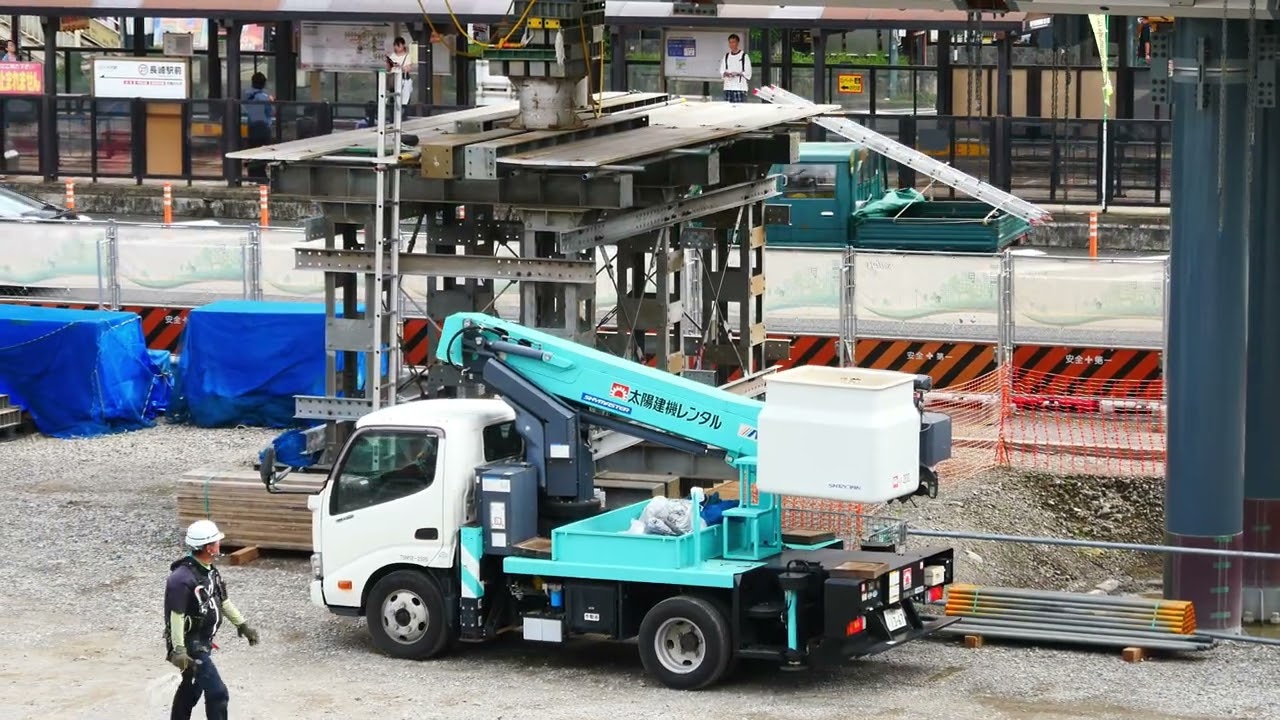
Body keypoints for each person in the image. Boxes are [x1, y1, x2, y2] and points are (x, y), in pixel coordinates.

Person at [165, 519, 260, 720]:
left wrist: (242, 625)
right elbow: (177, 615)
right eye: (217, 541)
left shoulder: (209, 571)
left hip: (204, 640)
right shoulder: (181, 579)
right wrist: (179, 650)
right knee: (217, 693)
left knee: (191, 689)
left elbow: (223, 601)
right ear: (209, 548)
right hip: (192, 645)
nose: (219, 544)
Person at [719, 34, 752, 103]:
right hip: (728, 87)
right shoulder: (726, 56)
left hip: (740, 88)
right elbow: (722, 70)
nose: (731, 44)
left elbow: (748, 72)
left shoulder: (744, 56)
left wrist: (738, 73)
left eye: (733, 42)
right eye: (730, 42)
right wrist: (726, 74)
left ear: (737, 43)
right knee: (727, 110)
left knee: (739, 110)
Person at [386, 36, 413, 108]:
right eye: (395, 46)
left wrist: (400, 66)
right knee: (392, 98)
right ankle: (392, 115)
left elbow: (409, 68)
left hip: (403, 79)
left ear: (403, 45)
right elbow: (388, 69)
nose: (397, 48)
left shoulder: (407, 56)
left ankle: (403, 114)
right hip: (393, 79)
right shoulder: (392, 55)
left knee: (404, 98)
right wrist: (389, 65)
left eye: (398, 46)